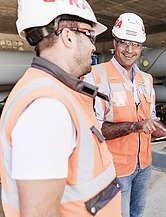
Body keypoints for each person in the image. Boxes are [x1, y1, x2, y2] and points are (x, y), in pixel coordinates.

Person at [0, 0, 122, 216]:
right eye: (90, 35)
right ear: (67, 37)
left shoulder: (58, 93)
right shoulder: (47, 110)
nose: (94, 46)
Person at [84, 12, 166, 217]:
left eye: (136, 44)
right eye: (124, 42)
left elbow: (151, 120)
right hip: (114, 170)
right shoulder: (95, 76)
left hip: (144, 165)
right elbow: (94, 129)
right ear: (115, 42)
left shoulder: (146, 79)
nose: (130, 50)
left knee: (137, 214)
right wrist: (134, 126)